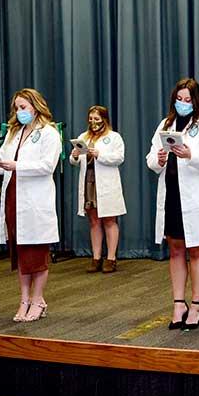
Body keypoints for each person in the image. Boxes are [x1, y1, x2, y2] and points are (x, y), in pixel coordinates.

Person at [146, 78, 199, 331]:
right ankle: (179, 303)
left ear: (196, 100)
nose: (182, 104)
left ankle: (197, 304)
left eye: (187, 100)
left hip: (194, 197)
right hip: (171, 196)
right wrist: (157, 159)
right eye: (179, 99)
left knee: (196, 250)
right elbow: (150, 158)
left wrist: (191, 154)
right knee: (175, 249)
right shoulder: (165, 124)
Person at [0, 88, 61, 323]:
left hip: (34, 201)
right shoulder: (13, 133)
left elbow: (47, 166)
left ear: (36, 107)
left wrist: (16, 165)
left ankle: (38, 300)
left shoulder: (48, 133)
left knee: (36, 253)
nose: (19, 112)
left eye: (23, 107)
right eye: (16, 108)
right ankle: (24, 299)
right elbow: (4, 163)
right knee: (20, 252)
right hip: (13, 197)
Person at [70, 105, 126, 273]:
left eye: (97, 119)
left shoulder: (114, 137)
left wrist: (99, 154)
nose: (93, 122)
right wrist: (74, 157)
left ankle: (111, 258)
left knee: (109, 220)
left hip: (106, 182)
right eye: (91, 118)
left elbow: (119, 158)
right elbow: (75, 161)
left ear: (104, 119)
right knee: (94, 221)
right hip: (89, 182)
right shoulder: (83, 137)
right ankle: (96, 258)